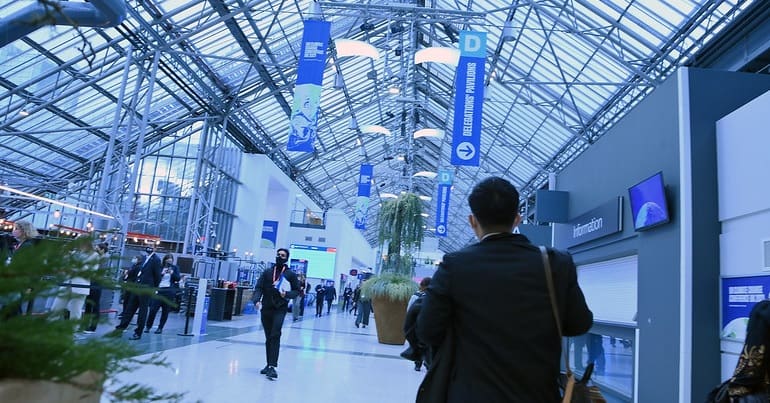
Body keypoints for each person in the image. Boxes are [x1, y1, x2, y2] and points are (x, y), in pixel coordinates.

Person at [417, 176, 593, 402]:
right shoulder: (555, 263)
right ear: (517, 219)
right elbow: (580, 323)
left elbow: (427, 330)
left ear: (473, 221)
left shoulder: (455, 265)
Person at [252, 247, 300, 380]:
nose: (280, 257)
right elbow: (259, 287)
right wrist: (256, 300)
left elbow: (297, 290)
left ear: (287, 258)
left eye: (283, 255)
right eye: (278, 254)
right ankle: (268, 364)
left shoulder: (290, 274)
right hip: (266, 308)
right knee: (269, 337)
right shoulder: (267, 272)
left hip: (280, 308)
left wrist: (287, 294)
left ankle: (273, 366)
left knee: (275, 333)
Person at [111, 246, 162, 340]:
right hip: (137, 286)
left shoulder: (156, 260)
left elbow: (157, 275)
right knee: (129, 309)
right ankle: (119, 329)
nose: (149, 248)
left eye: (152, 246)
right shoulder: (144, 258)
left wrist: (155, 288)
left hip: (146, 288)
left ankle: (138, 332)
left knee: (142, 311)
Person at [50, 242, 99, 321]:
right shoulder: (74, 253)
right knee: (55, 308)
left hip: (80, 287)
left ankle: (72, 331)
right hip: (66, 284)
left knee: (75, 311)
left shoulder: (94, 255)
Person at [144, 253, 181, 334]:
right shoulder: (160, 267)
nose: (169, 260)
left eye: (171, 259)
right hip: (159, 290)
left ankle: (160, 328)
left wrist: (172, 273)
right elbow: (154, 278)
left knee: (165, 310)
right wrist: (161, 273)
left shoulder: (175, 268)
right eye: (168, 258)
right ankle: (148, 326)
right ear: (165, 260)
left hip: (169, 291)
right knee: (153, 310)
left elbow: (178, 278)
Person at [401, 277, 431, 371]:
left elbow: (409, 310)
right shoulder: (437, 298)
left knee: (418, 344)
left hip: (418, 326)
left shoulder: (416, 296)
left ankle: (418, 363)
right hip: (430, 328)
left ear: (422, 286)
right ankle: (427, 363)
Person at [83, 242, 109, 332]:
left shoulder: (104, 259)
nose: (95, 249)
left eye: (97, 248)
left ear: (102, 250)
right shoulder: (98, 257)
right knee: (88, 304)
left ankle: (93, 326)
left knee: (95, 305)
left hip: (97, 283)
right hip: (91, 282)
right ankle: (85, 324)